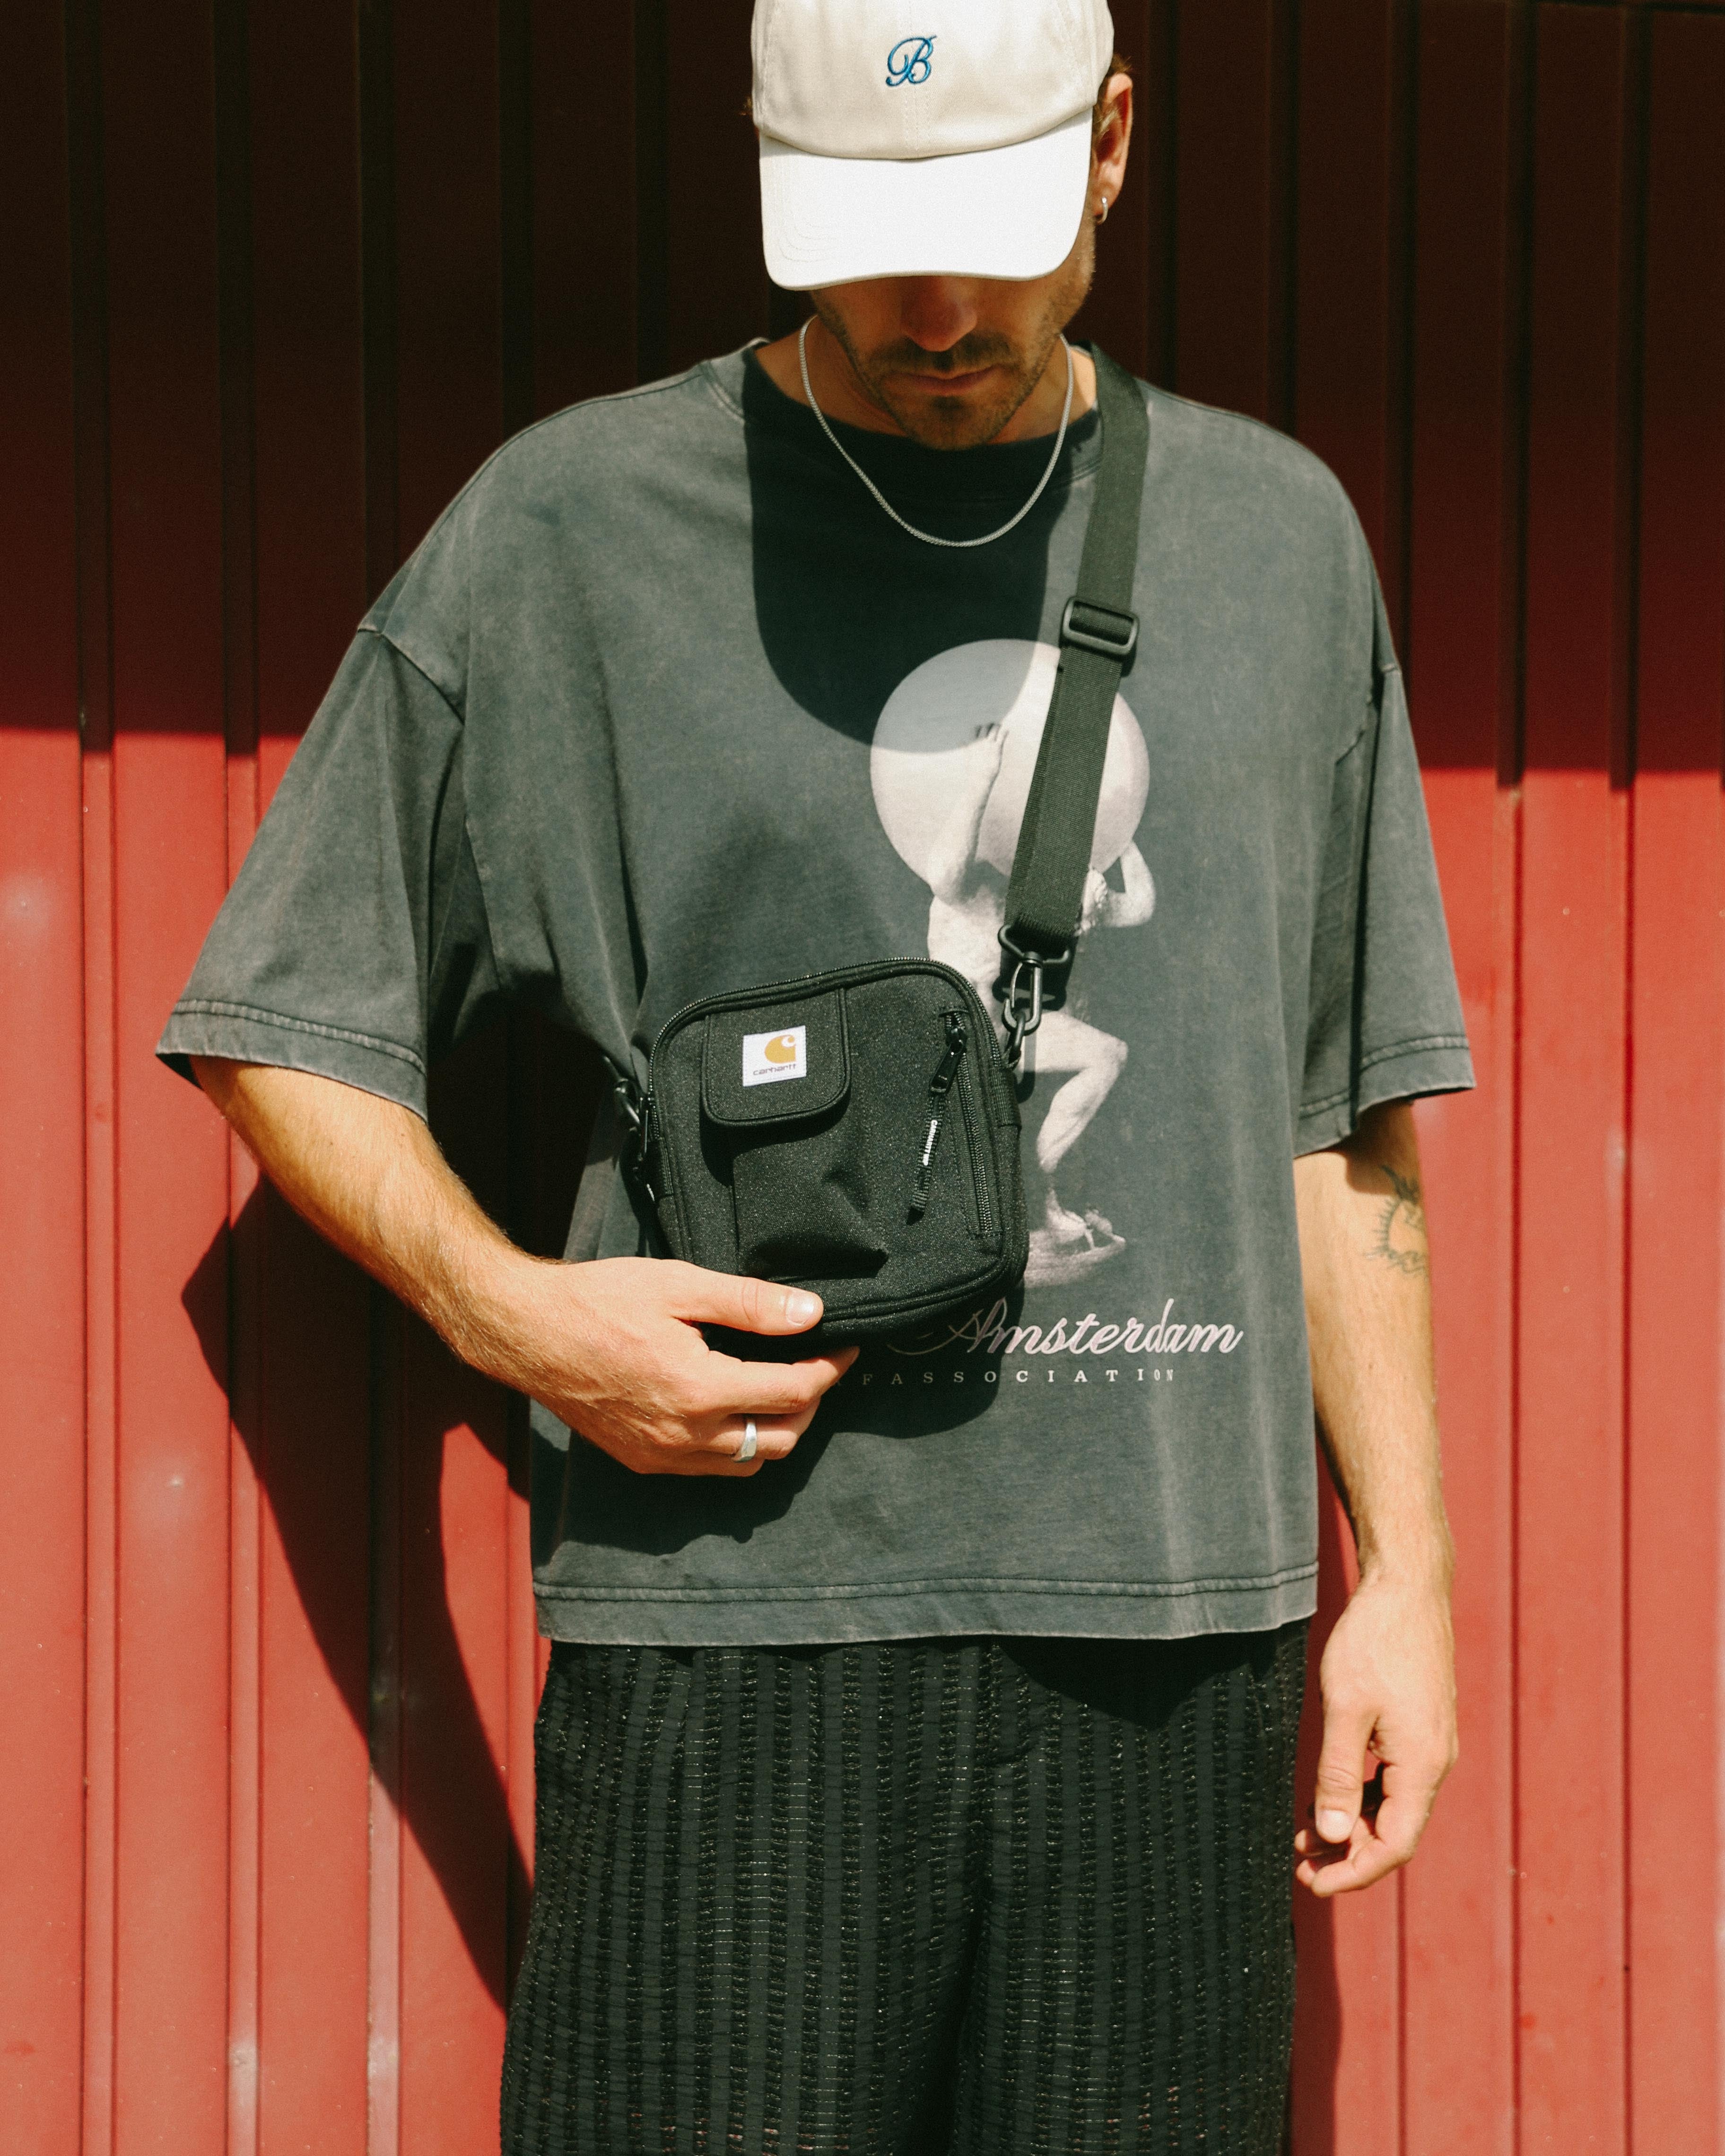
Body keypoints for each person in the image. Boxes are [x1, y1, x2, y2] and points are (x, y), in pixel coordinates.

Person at [159, 0, 1473, 2147]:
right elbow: (279, 1020)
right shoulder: (575, 533)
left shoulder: (1281, 545)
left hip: (1173, 1655)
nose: (936, 315)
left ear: (1113, 144)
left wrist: (1406, 1578)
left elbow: (1340, 1129)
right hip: (731, 1645)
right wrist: (522, 1318)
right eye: (873, 247)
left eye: (992, 239)